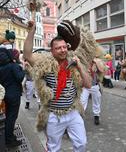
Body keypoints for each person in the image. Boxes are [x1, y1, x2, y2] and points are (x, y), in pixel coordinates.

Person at [23, 20, 92, 152]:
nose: (62, 50)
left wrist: (80, 67)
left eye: (64, 47)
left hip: (73, 112)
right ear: (52, 51)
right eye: (58, 48)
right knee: (53, 148)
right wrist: (31, 31)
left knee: (81, 144)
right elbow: (27, 55)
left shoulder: (74, 62)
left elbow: (88, 84)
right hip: (54, 114)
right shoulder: (46, 63)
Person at [0, 47, 25, 148]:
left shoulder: (1, 67)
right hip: (14, 95)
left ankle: (9, 137)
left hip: (5, 95)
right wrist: (23, 68)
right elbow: (20, 78)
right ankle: (9, 141)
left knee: (8, 117)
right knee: (11, 118)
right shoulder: (13, 66)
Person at [80, 57, 105, 125]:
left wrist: (96, 62)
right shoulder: (83, 61)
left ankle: (96, 116)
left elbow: (102, 70)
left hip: (95, 85)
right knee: (82, 101)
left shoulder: (97, 61)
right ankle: (80, 117)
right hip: (85, 86)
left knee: (97, 101)